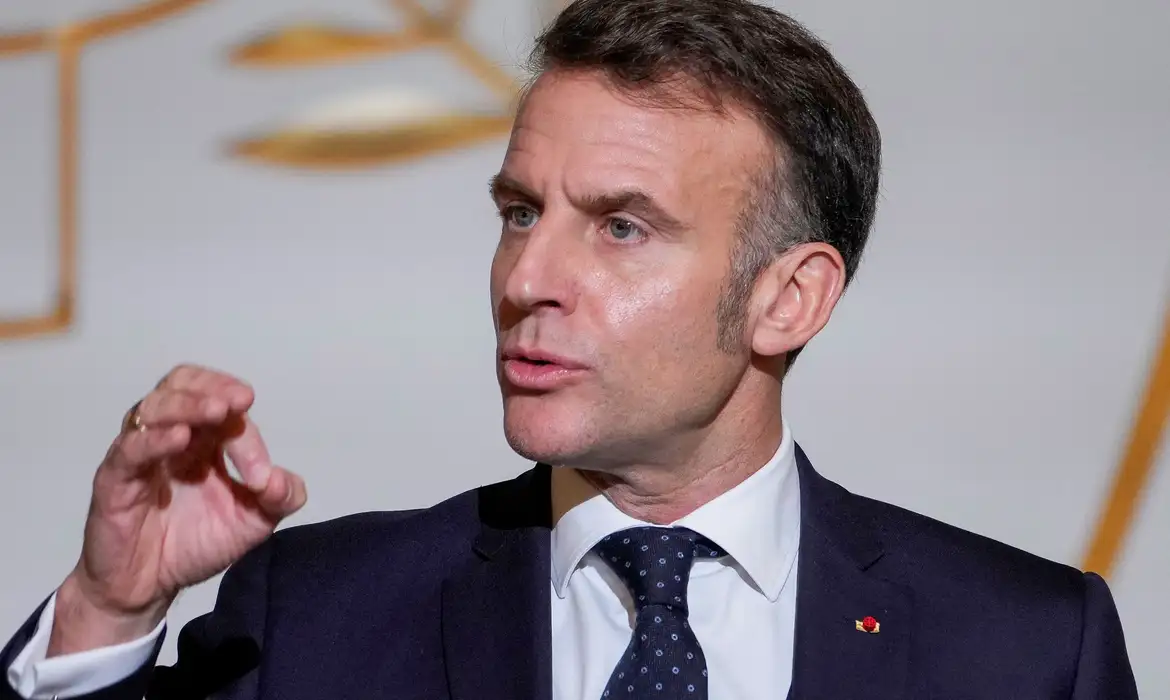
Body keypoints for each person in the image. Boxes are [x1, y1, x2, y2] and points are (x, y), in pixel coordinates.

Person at [1, 0, 1138, 698]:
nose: (527, 279)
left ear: (789, 298)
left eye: (622, 226)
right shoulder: (317, 613)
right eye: (519, 211)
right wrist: (106, 615)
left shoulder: (1027, 650)